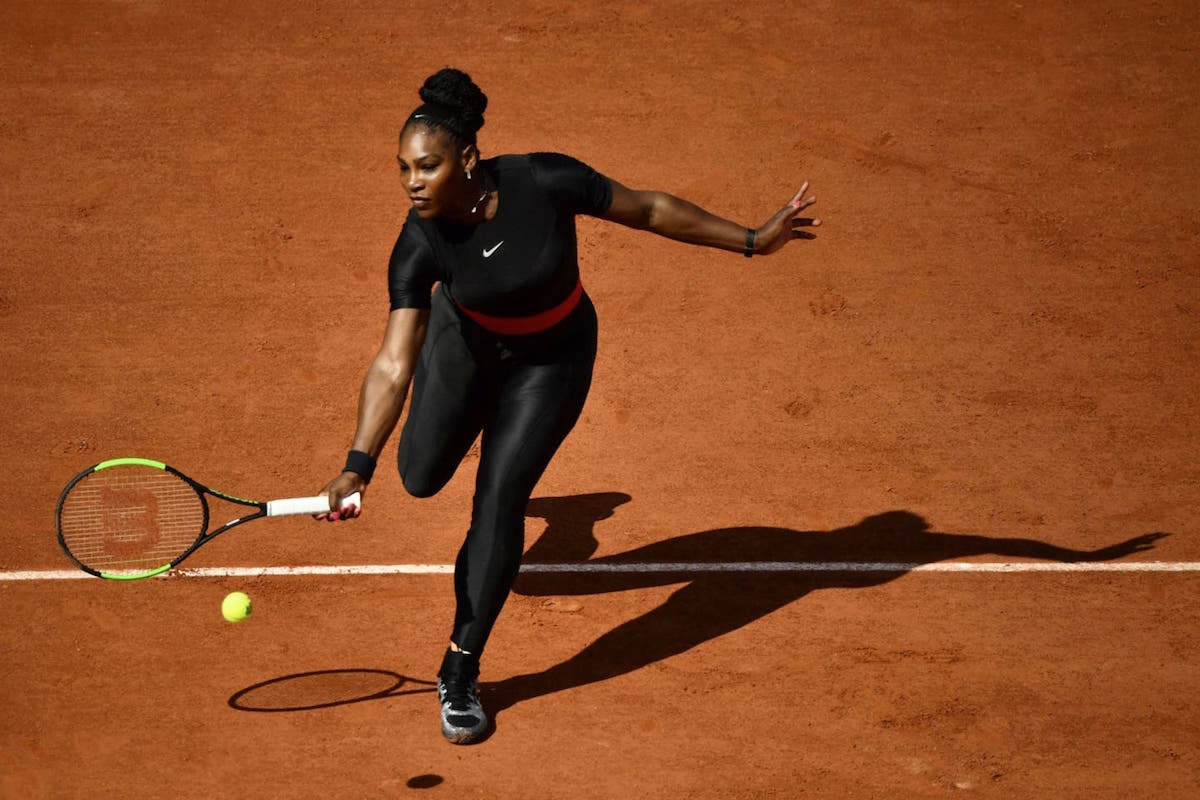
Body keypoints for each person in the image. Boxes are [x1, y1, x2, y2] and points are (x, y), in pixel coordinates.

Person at [317, 67, 820, 744]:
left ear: (466, 158)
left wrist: (754, 239)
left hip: (551, 361)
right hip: (465, 348)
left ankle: (460, 670)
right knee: (420, 475)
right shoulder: (418, 242)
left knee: (498, 499)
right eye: (403, 168)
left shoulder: (543, 180)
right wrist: (358, 464)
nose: (412, 182)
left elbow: (648, 208)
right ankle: (493, 447)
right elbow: (391, 361)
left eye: (427, 166)